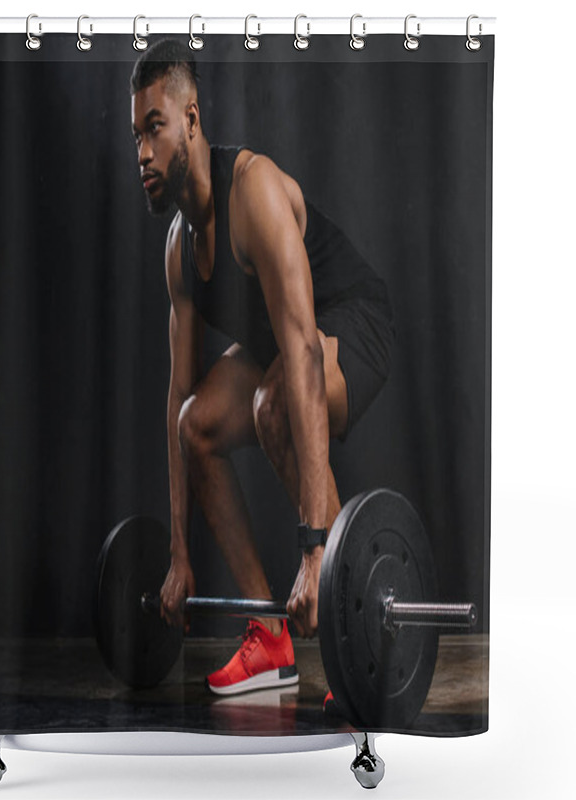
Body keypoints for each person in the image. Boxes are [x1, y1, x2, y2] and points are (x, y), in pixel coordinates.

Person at [130, 39, 394, 697]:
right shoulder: (179, 251)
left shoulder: (255, 191)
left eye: (155, 127)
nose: (142, 152)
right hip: (286, 347)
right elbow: (177, 399)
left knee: (274, 402)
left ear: (191, 120)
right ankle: (268, 638)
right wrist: (180, 557)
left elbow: (302, 351)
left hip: (352, 320)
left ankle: (352, 633)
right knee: (198, 425)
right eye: (135, 134)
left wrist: (312, 551)